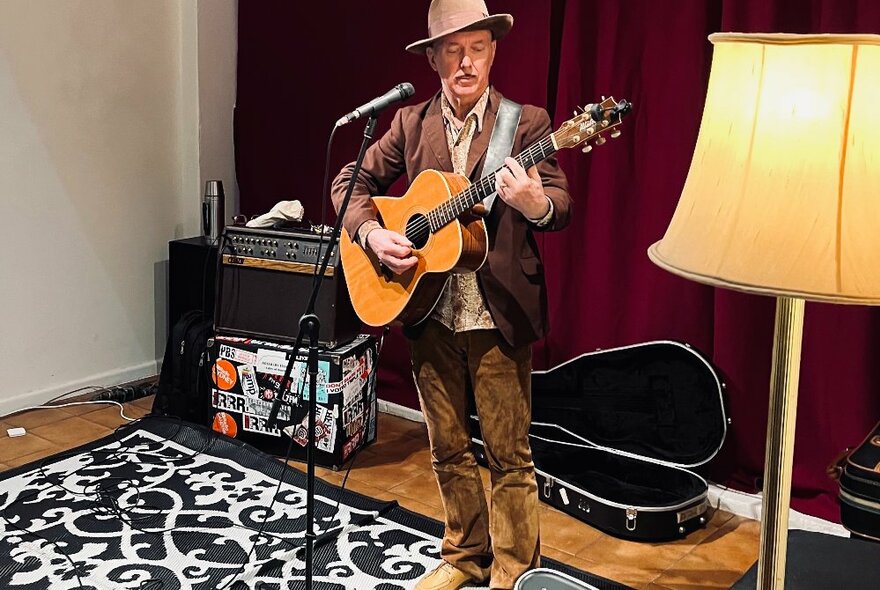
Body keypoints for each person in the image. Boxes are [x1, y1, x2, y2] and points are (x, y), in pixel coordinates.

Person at [330, 1, 571, 588]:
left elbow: (559, 204)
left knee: (509, 457)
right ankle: (463, 556)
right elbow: (349, 183)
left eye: (479, 49)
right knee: (448, 448)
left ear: (493, 52)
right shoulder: (409, 124)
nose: (467, 63)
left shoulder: (527, 123)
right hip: (427, 308)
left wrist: (533, 204)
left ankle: (513, 571)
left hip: (498, 312)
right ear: (433, 57)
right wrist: (372, 232)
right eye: (454, 50)